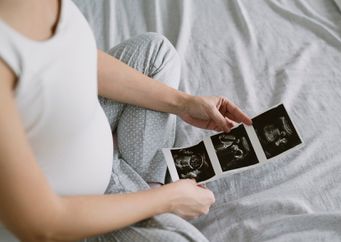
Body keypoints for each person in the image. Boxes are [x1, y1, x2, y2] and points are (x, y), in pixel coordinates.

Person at [0, 0, 252, 241]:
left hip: (72, 129)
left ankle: (139, 187)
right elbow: (44, 227)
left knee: (156, 52)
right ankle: (143, 195)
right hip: (76, 213)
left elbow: (75, 55)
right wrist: (168, 199)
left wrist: (182, 102)